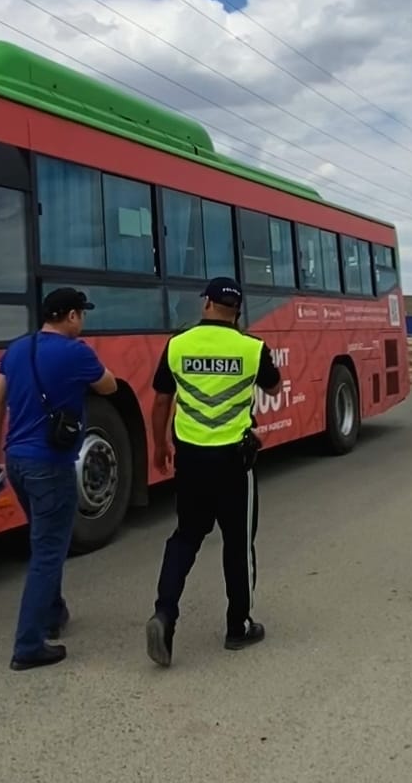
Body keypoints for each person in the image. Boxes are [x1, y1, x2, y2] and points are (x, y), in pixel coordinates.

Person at [144, 277, 281, 666]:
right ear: (237, 310)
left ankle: (165, 614)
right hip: (235, 462)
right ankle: (238, 627)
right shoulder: (252, 348)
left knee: (185, 537)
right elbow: (274, 388)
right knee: (238, 545)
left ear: (206, 303)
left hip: (190, 458)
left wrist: (159, 447)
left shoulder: (178, 345)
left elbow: (160, 403)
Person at [0, 287, 118, 670]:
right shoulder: (76, 353)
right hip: (51, 465)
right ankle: (28, 645)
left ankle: (54, 613)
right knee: (47, 551)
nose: (84, 321)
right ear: (72, 316)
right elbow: (109, 386)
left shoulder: (17, 349)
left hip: (17, 463)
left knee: (46, 537)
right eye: (82, 314)